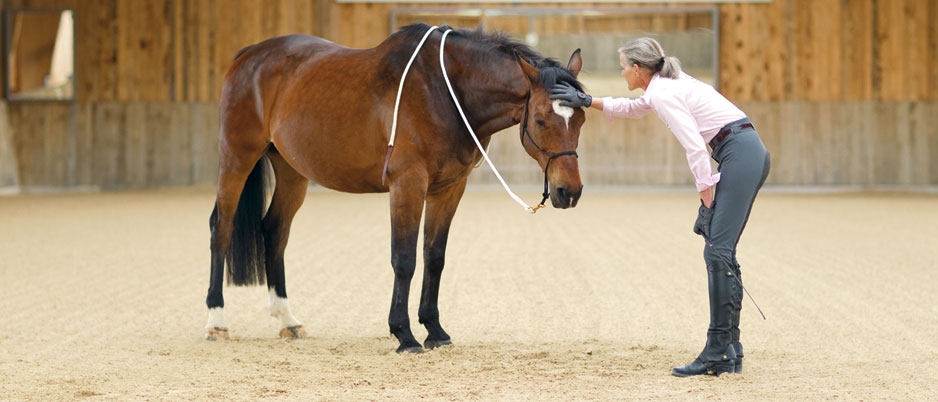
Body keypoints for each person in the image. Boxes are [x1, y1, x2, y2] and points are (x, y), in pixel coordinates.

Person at [550, 37, 770, 377]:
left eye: (623, 67)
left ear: (637, 69)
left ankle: (718, 352)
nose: (622, 73)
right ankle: (729, 348)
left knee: (717, 252)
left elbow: (695, 147)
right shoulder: (662, 86)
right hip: (743, 150)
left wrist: (706, 197)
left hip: (739, 153)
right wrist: (588, 100)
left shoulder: (664, 93)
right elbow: (633, 108)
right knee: (721, 252)